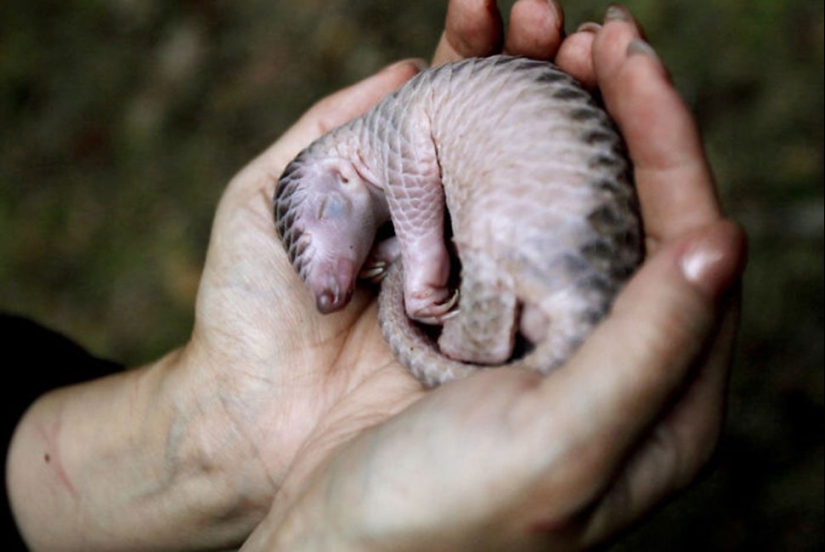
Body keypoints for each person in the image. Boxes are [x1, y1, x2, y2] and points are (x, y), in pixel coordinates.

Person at [4, 1, 746, 550]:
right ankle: (488, 332)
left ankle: (487, 334)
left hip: (542, 215)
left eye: (324, 236)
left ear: (337, 176)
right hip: (543, 215)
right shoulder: (386, 171)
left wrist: (417, 273)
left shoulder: (388, 134)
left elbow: (423, 210)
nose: (330, 285)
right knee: (495, 248)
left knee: (493, 245)